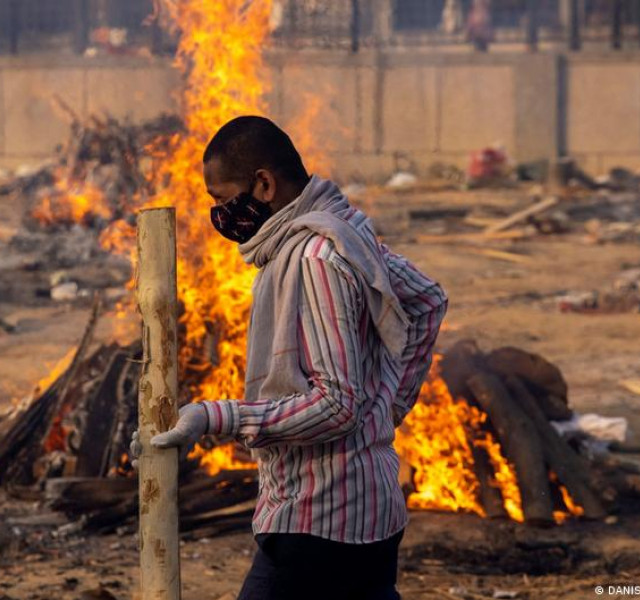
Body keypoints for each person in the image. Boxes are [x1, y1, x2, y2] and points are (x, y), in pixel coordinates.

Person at [132, 116, 448, 600]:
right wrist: (387, 404)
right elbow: (428, 300)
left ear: (263, 183)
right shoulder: (344, 232)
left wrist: (217, 417)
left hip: (321, 516)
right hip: (369, 510)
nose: (219, 214)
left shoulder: (313, 258)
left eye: (221, 198)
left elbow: (337, 404)